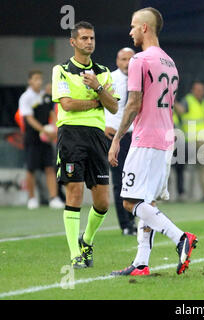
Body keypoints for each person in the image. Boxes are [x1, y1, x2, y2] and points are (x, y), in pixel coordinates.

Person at [108, 7, 198, 276]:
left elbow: (134, 103)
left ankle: (180, 237)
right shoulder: (170, 63)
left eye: (134, 26)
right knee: (148, 202)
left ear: (145, 28)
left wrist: (117, 139)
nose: (131, 31)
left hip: (145, 139)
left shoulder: (140, 60)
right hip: (165, 139)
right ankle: (141, 262)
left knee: (129, 201)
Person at [52, 21, 119, 268]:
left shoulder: (102, 72)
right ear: (73, 42)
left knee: (102, 202)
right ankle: (74, 255)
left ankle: (86, 240)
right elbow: (67, 104)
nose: (88, 42)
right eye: (83, 38)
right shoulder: (61, 70)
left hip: (96, 136)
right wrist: (96, 101)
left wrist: (97, 87)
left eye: (91, 38)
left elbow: (113, 105)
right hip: (71, 135)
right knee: (75, 192)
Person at [18, 71, 64, 210]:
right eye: (35, 79)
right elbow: (29, 118)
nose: (39, 81)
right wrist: (43, 131)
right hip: (32, 138)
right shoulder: (26, 97)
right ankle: (32, 199)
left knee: (50, 168)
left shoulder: (45, 96)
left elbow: (52, 113)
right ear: (30, 81)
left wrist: (54, 129)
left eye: (40, 79)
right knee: (31, 169)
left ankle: (53, 198)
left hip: (46, 139)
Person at [105, 47, 137, 236]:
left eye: (130, 59)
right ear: (117, 61)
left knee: (135, 180)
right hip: (115, 136)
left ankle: (133, 220)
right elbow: (98, 105)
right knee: (119, 180)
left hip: (136, 135)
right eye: (123, 59)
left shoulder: (141, 78)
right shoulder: (109, 79)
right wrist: (103, 126)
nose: (126, 63)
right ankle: (125, 224)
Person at [175, 80, 204, 202]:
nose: (199, 92)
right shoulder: (188, 100)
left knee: (202, 169)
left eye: (201, 90)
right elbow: (181, 110)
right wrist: (172, 100)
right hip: (192, 140)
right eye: (197, 90)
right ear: (192, 90)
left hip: (203, 140)